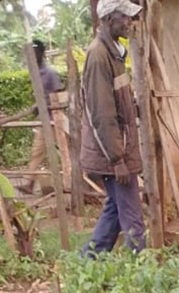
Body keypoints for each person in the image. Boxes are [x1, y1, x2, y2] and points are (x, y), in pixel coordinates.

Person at [79, 0, 146, 257]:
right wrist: (118, 159)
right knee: (132, 216)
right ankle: (141, 272)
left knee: (116, 210)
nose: (129, 22)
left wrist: (135, 106)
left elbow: (116, 104)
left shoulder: (114, 52)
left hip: (114, 148)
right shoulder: (99, 56)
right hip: (112, 152)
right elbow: (102, 115)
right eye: (124, 17)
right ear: (108, 20)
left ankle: (88, 261)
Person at [25, 39, 64, 194]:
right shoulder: (35, 72)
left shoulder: (50, 73)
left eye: (34, 53)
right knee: (38, 151)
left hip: (55, 120)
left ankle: (82, 181)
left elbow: (59, 94)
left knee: (67, 151)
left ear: (41, 53)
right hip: (44, 120)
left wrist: (44, 105)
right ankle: (29, 183)